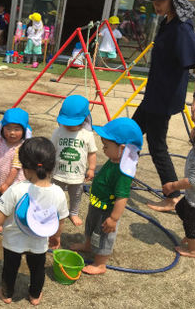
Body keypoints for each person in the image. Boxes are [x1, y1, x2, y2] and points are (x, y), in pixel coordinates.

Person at [134, 0, 195, 212]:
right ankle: (117, 171)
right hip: (155, 95)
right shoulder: (168, 22)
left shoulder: (180, 29)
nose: (156, 3)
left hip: (162, 100)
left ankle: (173, 196)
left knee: (156, 145)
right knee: (131, 134)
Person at [0, 137, 68, 305]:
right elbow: (60, 219)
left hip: (13, 241)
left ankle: (6, 293)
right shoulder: (58, 193)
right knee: (37, 269)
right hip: (39, 241)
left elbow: (1, 213)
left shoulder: (17, 189)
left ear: (26, 170)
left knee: (10, 268)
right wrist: (56, 236)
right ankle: (35, 296)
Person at [71, 118, 143, 275]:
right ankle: (89, 245)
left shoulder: (123, 171)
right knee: (91, 226)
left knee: (103, 235)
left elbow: (122, 197)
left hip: (107, 212)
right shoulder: (114, 160)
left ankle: (100, 264)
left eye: (106, 146)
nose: (103, 148)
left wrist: (114, 219)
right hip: (97, 205)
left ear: (122, 148)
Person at [162, 117, 195, 258]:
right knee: (179, 208)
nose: (192, 128)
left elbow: (193, 181)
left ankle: (194, 250)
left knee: (189, 225)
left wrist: (173, 185)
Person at [51, 95, 97, 226]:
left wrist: (92, 168)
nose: (69, 126)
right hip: (58, 173)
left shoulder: (87, 135)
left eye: (74, 123)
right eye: (66, 122)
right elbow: (51, 149)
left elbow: (92, 153)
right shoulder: (58, 132)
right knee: (55, 194)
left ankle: (73, 212)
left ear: (84, 119)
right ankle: (55, 211)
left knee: (76, 195)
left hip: (77, 175)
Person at [0, 108, 32, 201]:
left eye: (16, 129)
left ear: (24, 130)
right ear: (2, 128)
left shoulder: (20, 147)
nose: (12, 132)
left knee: (11, 202)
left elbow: (15, 169)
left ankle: (7, 215)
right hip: (0, 179)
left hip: (14, 183)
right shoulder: (0, 142)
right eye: (8, 128)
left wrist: (6, 185)